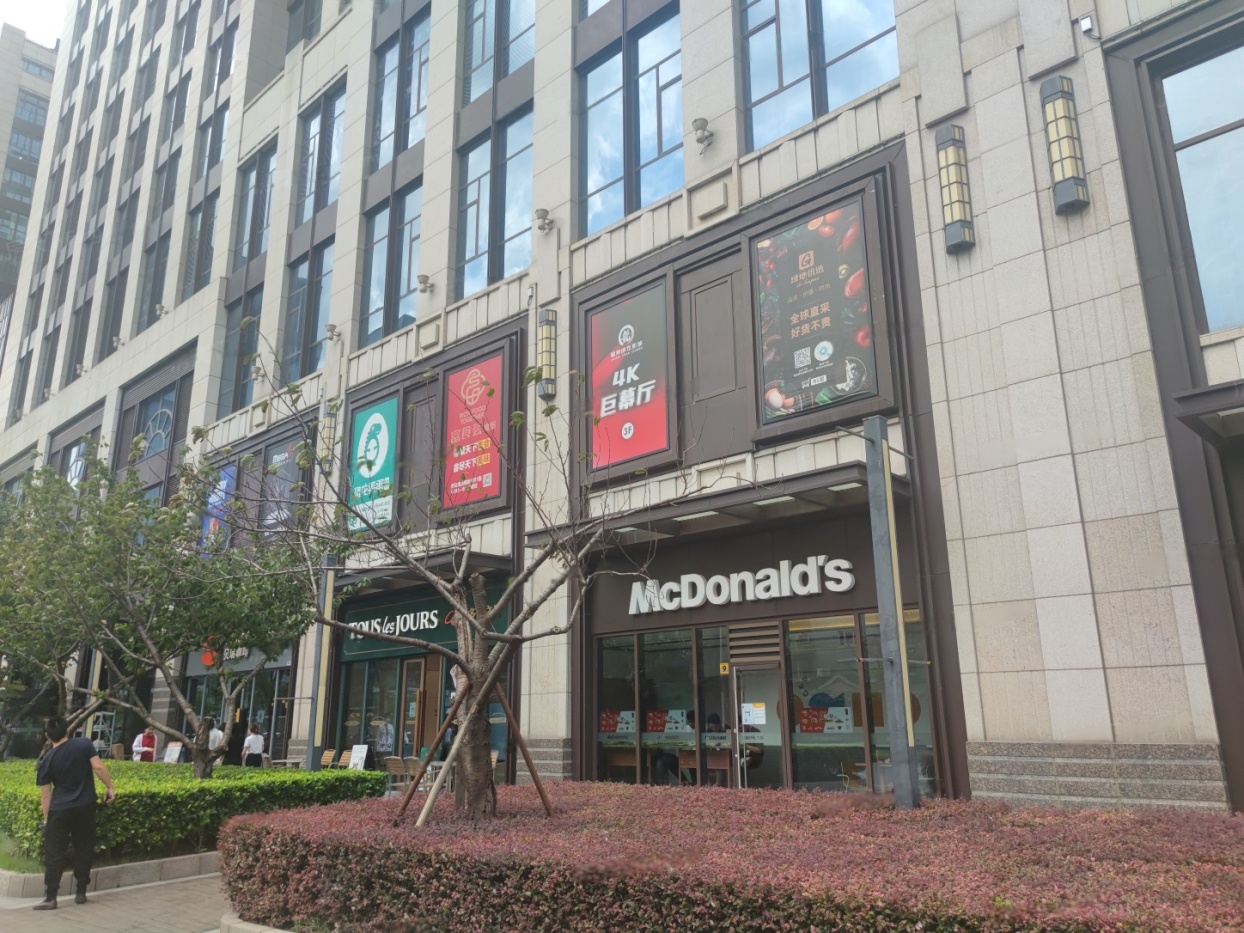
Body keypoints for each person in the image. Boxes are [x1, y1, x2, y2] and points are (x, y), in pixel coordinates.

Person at [33, 716, 116, 910]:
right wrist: (110, 787)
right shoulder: (84, 744)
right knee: (84, 848)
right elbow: (98, 766)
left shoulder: (46, 761)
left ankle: (51, 897)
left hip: (59, 809)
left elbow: (46, 795)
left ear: (47, 736)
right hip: (85, 806)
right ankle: (80, 892)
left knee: (55, 853)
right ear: (68, 731)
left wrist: (48, 820)